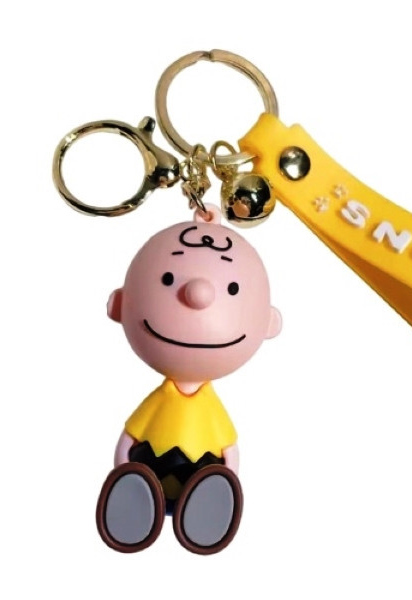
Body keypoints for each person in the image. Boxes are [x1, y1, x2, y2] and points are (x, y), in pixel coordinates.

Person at [95, 206, 282, 554]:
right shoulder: (161, 400)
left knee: (208, 479)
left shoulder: (209, 406)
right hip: (147, 473)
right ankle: (135, 499)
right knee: (141, 477)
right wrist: (124, 465)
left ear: (269, 323)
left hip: (200, 476)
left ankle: (204, 504)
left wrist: (229, 475)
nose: (199, 294)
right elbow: (130, 437)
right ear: (119, 305)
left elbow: (228, 449)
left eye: (232, 288)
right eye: (168, 279)